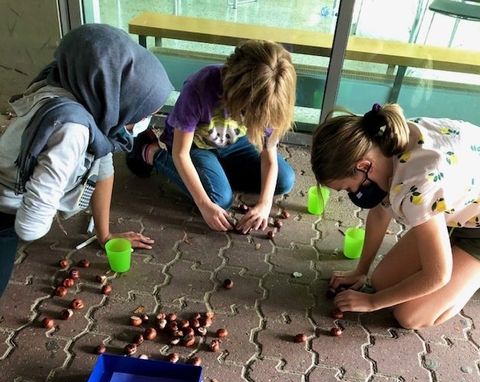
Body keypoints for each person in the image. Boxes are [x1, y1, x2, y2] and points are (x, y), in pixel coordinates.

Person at [0, 23, 173, 296]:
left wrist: (105, 235)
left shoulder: (77, 92)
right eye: (142, 113)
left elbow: (102, 165)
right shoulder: (73, 130)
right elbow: (30, 225)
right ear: (114, 92)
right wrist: (46, 210)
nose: (144, 122)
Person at [311, 103, 480, 329]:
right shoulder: (386, 142)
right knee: (382, 281)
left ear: (364, 166)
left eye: (349, 188)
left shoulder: (418, 186)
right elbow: (379, 213)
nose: (352, 194)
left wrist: (372, 302)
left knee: (409, 316)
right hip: (457, 205)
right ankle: (449, 246)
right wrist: (361, 271)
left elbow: (438, 275)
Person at [127, 39, 297, 234]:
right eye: (245, 112)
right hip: (195, 145)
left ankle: (216, 173)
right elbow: (181, 154)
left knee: (284, 180)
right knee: (219, 200)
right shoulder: (200, 87)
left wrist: (265, 204)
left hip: (235, 142)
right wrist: (204, 205)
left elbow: (270, 159)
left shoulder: (271, 98)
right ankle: (151, 152)